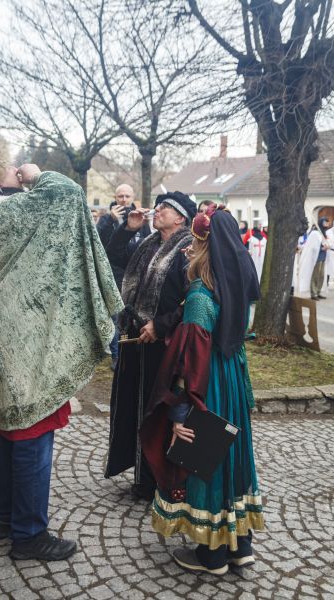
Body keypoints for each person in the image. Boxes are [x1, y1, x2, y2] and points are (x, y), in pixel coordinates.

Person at [0, 135, 123, 561]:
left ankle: (5, 520)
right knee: (31, 435)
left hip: (3, 351)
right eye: (10, 167)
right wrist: (37, 174)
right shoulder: (7, 214)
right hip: (26, 356)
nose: (17, 169)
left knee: (7, 433)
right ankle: (29, 534)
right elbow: (68, 194)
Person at [140, 204, 264, 575]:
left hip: (207, 386)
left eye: (194, 242)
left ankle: (211, 555)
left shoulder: (199, 297)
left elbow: (187, 363)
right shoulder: (235, 287)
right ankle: (239, 545)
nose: (188, 248)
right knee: (231, 456)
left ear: (206, 246)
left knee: (206, 462)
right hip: (231, 383)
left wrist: (179, 414)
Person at [104, 191, 197, 500]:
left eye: (165, 208)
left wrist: (161, 325)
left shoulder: (188, 250)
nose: (157, 211)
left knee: (156, 411)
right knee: (134, 406)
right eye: (157, 207)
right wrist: (128, 229)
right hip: (136, 339)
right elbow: (113, 257)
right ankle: (142, 477)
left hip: (165, 345)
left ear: (181, 218)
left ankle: (159, 480)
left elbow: (194, 299)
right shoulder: (148, 243)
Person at [97, 184, 151, 369]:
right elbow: (98, 242)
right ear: (115, 197)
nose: (124, 199)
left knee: (132, 315)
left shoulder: (141, 218)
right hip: (113, 275)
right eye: (120, 196)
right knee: (115, 317)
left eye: (127, 196)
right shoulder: (108, 218)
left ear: (133, 197)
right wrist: (109, 220)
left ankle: (130, 352)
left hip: (135, 275)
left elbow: (147, 242)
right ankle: (116, 355)